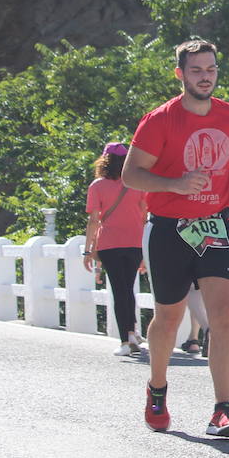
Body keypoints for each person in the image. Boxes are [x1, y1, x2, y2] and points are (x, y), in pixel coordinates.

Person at [122, 39, 229, 438]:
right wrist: (176, 184)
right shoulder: (160, 120)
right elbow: (131, 175)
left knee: (222, 317)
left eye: (212, 69)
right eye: (197, 70)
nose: (206, 77)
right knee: (168, 317)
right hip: (169, 227)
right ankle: (157, 388)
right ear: (180, 74)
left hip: (217, 223)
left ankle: (222, 409)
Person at [83, 143, 149, 356]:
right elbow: (144, 215)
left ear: (104, 161)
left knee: (119, 291)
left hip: (110, 243)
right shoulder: (137, 185)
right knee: (128, 289)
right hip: (134, 243)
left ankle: (125, 342)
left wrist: (88, 250)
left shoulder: (97, 186)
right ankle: (132, 334)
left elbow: (94, 220)